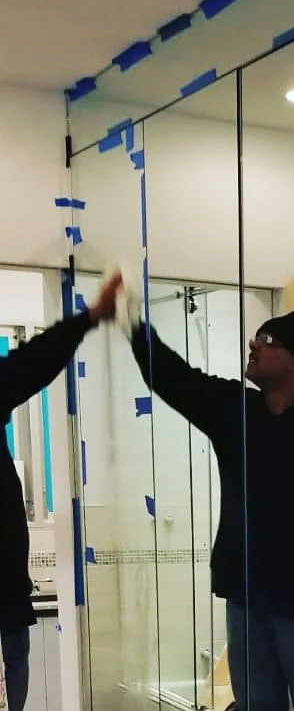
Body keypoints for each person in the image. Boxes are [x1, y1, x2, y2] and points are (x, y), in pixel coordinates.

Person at [123, 302, 294, 711]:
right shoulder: (234, 409)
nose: (253, 344)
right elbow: (174, 379)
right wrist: (132, 323)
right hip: (246, 599)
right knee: (256, 704)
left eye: (266, 340)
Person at [0, 272, 122, 711]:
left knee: (15, 647)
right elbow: (30, 363)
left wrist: (88, 317)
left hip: (6, 571)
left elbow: (32, 361)